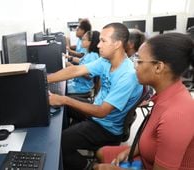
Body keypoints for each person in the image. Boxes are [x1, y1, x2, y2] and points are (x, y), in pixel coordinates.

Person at [48, 22, 143, 170]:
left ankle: (89, 166)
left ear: (117, 44)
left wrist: (64, 100)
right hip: (96, 113)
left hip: (106, 128)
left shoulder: (127, 75)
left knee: (58, 143)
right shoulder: (106, 60)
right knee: (63, 106)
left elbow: (101, 111)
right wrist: (44, 80)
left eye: (103, 41)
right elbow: (75, 71)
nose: (98, 45)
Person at [94, 33, 194, 170]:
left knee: (99, 167)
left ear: (158, 67)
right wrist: (128, 151)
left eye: (139, 61)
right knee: (101, 153)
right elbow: (151, 140)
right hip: (148, 157)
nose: (135, 66)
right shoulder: (168, 94)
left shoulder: (176, 116)